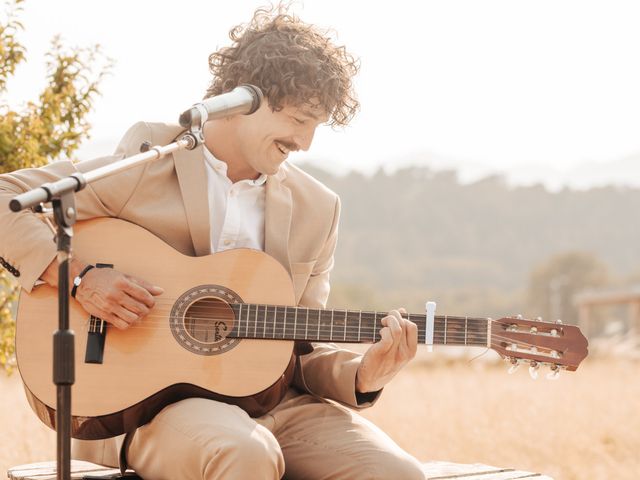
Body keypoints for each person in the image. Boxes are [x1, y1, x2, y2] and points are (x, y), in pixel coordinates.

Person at [0, 6, 426, 479]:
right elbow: (5, 197)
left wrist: (366, 376)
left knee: (397, 473)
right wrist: (80, 278)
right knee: (244, 453)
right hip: (145, 409)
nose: (305, 142)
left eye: (317, 125)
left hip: (272, 406)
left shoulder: (317, 209)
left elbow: (302, 352)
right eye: (300, 119)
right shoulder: (148, 161)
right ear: (243, 99)